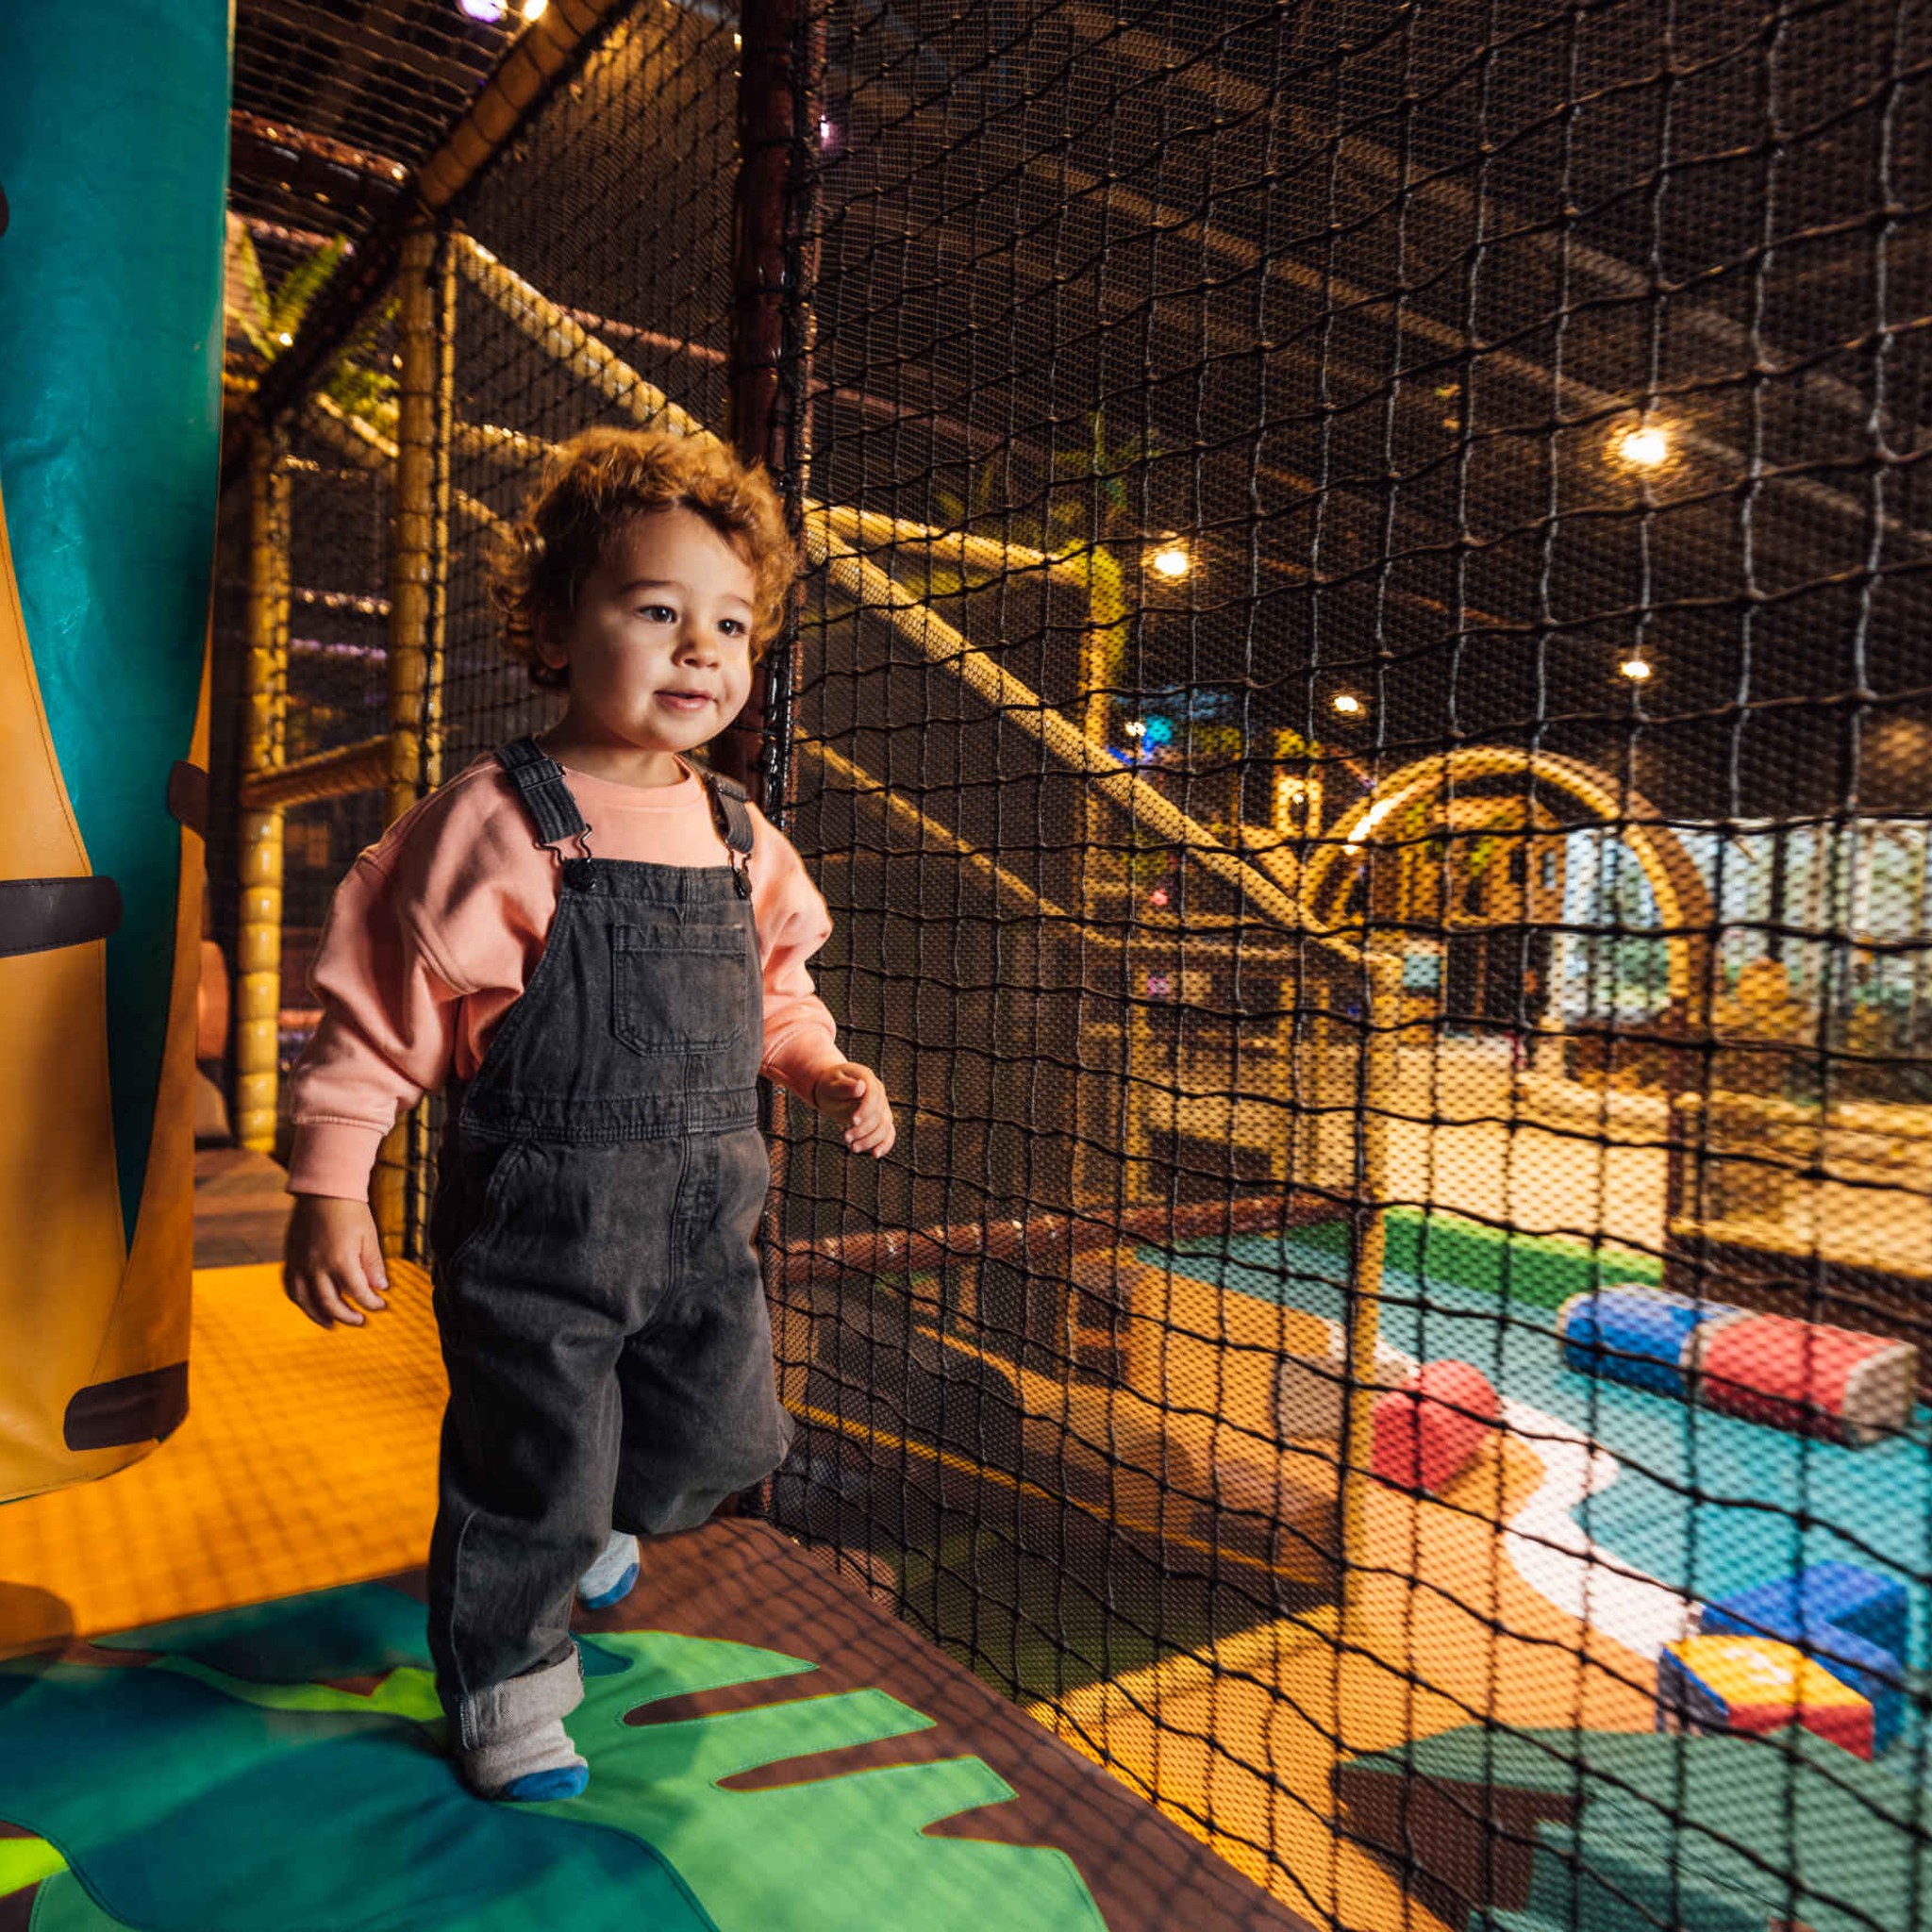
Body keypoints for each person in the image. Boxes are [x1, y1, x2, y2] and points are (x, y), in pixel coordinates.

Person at [279, 427, 894, 1804]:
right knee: (530, 1465)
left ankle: (607, 1524)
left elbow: (776, 993)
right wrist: (331, 1185)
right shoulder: (499, 821)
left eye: (730, 624)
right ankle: (505, 1684)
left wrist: (826, 1065)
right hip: (541, 1220)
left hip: (704, 1222)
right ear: (555, 632)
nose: (700, 651)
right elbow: (382, 1008)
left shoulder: (744, 836)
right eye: (656, 611)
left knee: (731, 1442)